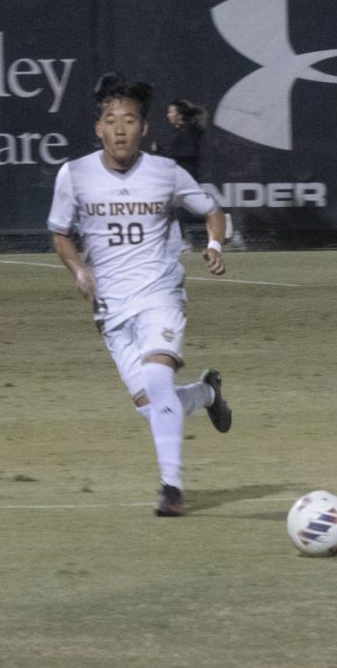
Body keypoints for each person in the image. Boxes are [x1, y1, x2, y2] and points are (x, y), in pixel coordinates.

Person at [48, 74, 234, 518]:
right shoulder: (74, 175)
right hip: (110, 308)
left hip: (159, 295)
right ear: (98, 128)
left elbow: (212, 211)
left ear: (144, 129)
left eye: (129, 120)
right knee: (153, 408)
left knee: (157, 380)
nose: (120, 128)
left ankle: (171, 487)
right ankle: (208, 394)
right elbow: (59, 234)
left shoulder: (166, 172)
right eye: (111, 120)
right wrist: (78, 269)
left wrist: (214, 244)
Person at [156, 100, 209, 252]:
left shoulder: (189, 131)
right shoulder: (181, 131)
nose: (168, 115)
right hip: (175, 177)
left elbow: (187, 152)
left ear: (179, 115)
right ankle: (180, 240)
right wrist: (163, 151)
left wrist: (163, 152)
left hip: (185, 177)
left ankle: (184, 241)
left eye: (171, 111)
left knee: (186, 208)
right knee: (172, 208)